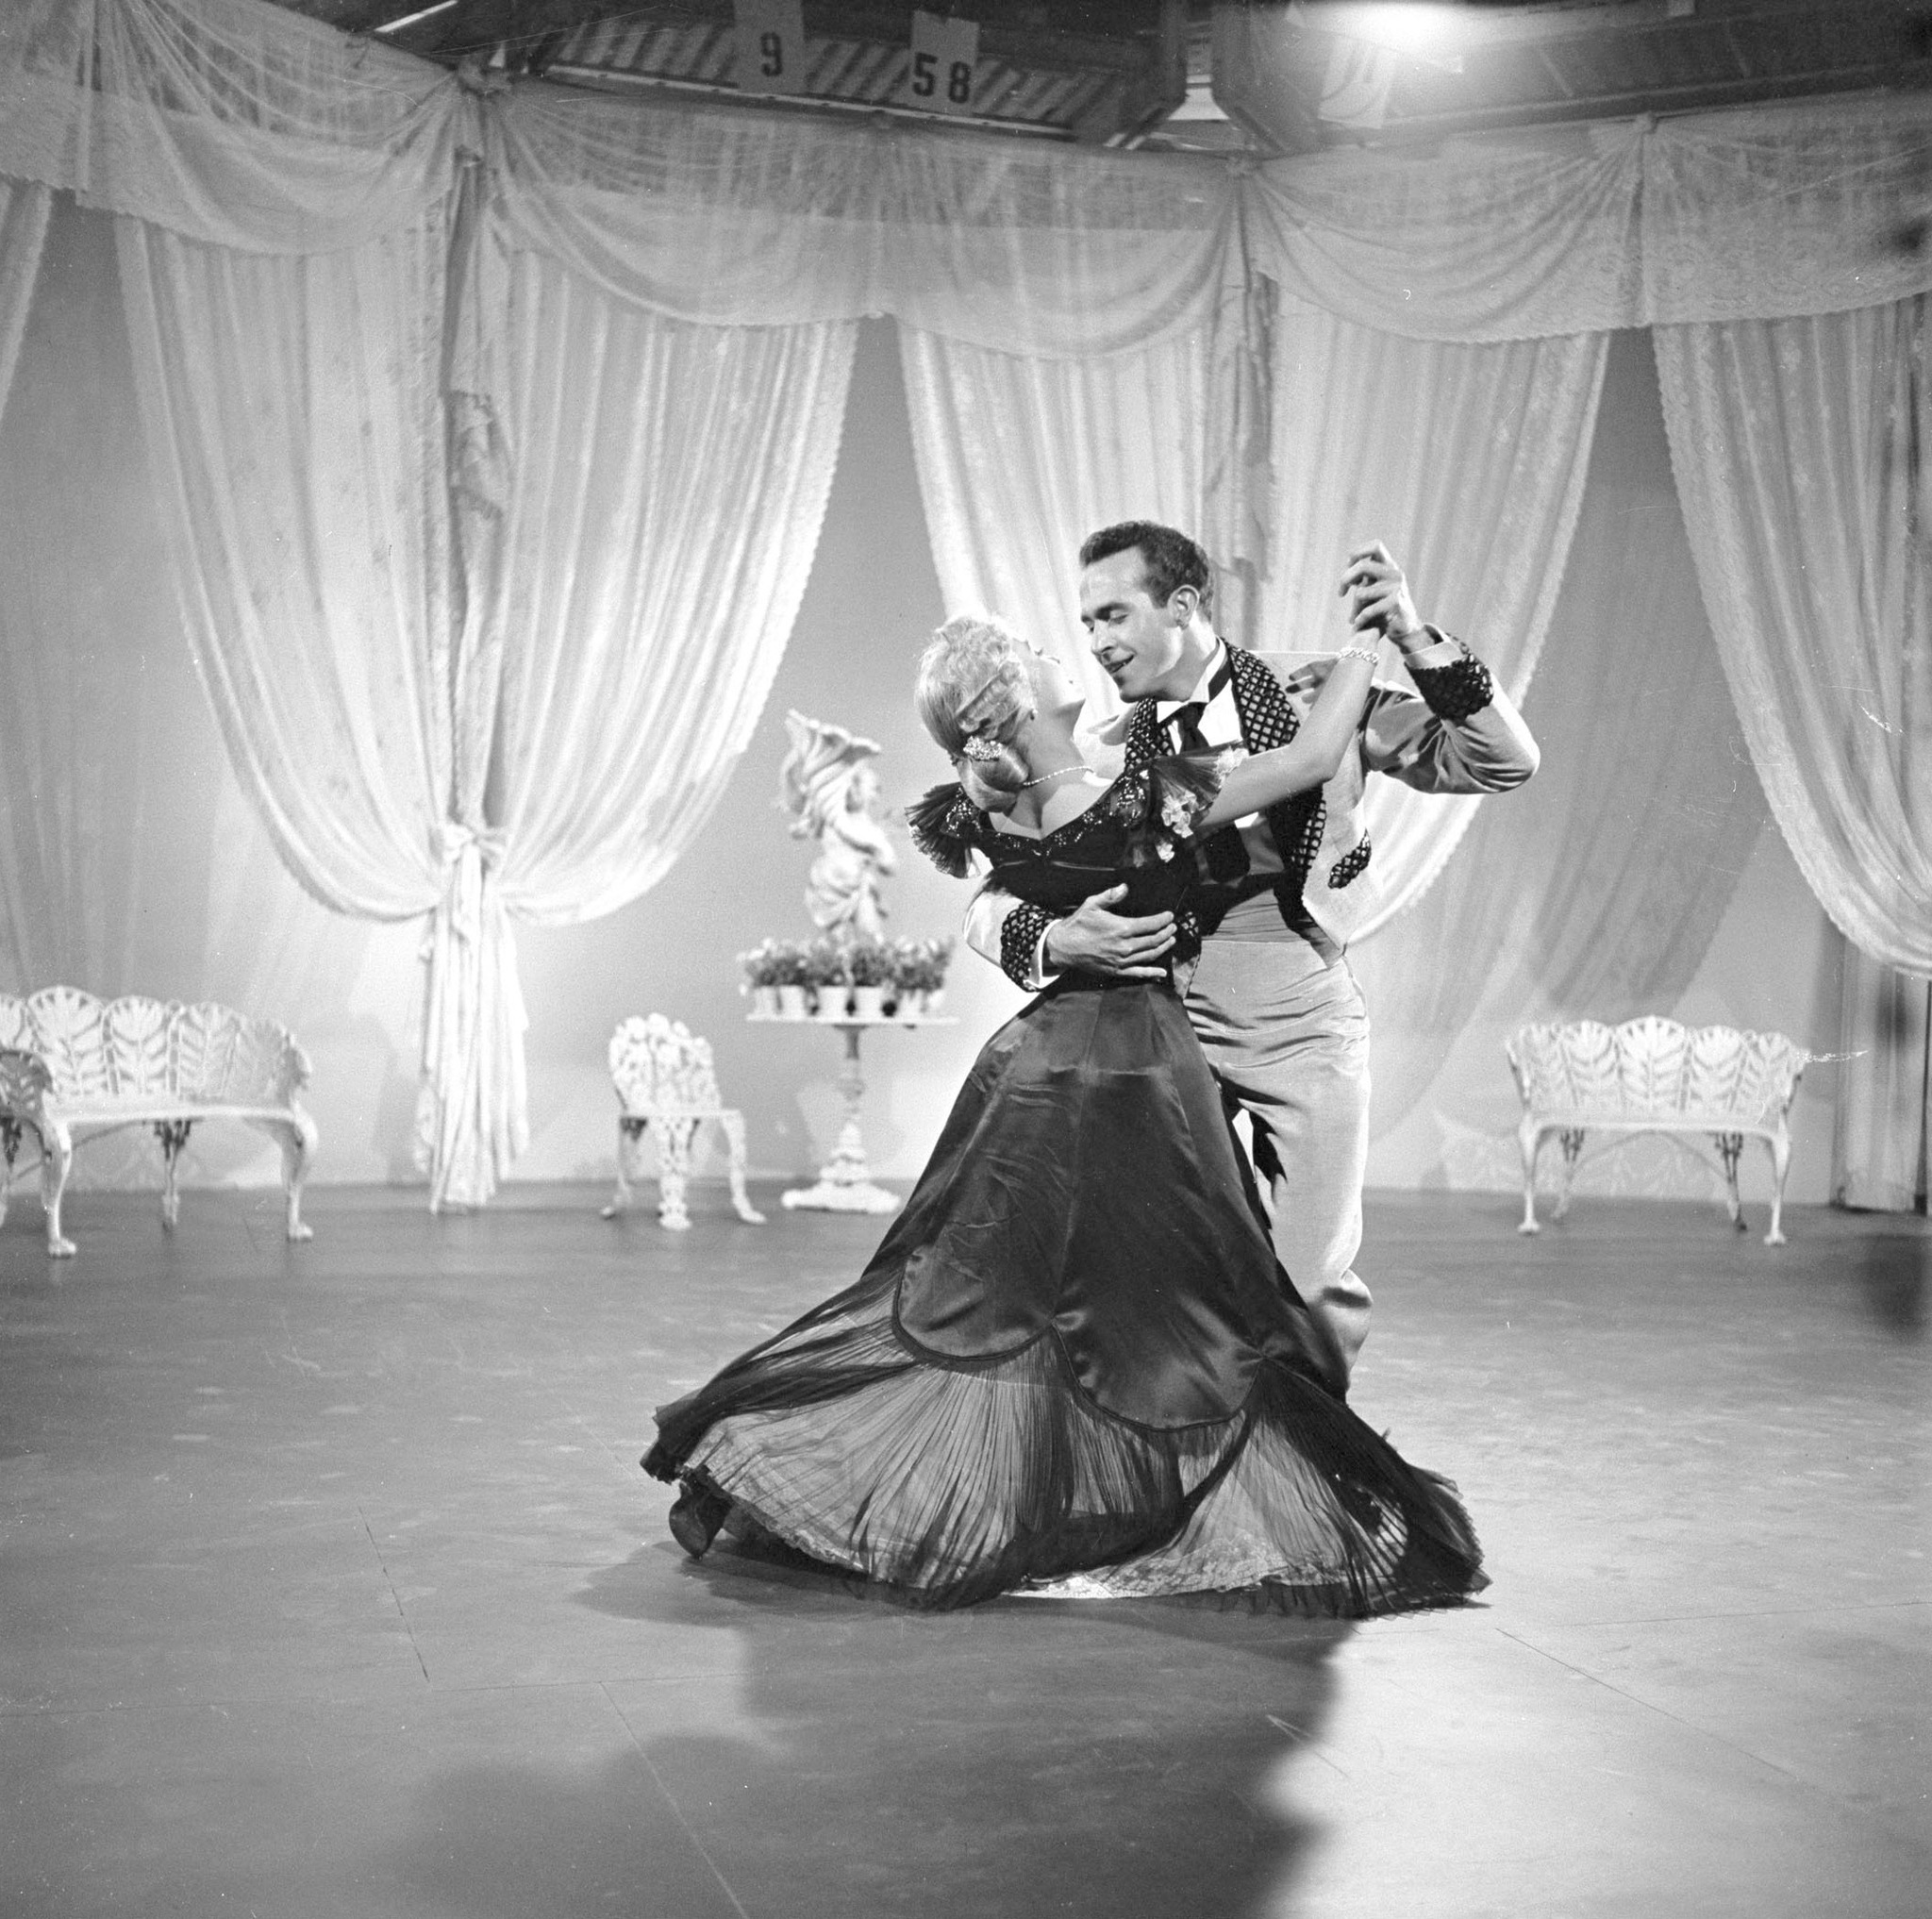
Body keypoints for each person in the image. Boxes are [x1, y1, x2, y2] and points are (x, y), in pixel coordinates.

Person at [641, 609, 1486, 1615]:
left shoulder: (994, 806)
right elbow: (1304, 759)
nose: (1068, 650)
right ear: (1017, 701)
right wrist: (1366, 645)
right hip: (1137, 1068)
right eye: (1044, 653)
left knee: (1020, 1304)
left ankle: (1068, 1495)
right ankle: (1150, 1509)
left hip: (1034, 1070)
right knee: (1183, 1305)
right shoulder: (1135, 795)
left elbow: (1001, 879)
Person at [964, 526, 1540, 1376]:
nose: (1097, 643)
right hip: (1155, 1018)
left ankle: (1306, 1476)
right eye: (1085, 623)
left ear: (1184, 604)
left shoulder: (1316, 694)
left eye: (1114, 615)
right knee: (1141, 1276)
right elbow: (987, 895)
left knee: (1309, 1285)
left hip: (1302, 1010)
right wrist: (1055, 936)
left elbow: (1503, 761)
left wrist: (1413, 640)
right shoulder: (1102, 748)